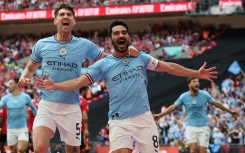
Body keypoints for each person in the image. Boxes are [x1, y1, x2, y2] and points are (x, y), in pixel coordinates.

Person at [34, 20, 218, 153]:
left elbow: (169, 67)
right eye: (116, 33)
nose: (120, 35)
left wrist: (195, 73)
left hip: (144, 119)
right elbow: (77, 82)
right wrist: (55, 85)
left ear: (128, 36)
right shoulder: (103, 65)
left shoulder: (141, 57)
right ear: (110, 39)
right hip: (119, 122)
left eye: (123, 32)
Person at [17, 3, 139, 153]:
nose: (65, 17)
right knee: (39, 147)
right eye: (61, 15)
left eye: (69, 15)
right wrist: (24, 77)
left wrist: (125, 54)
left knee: (73, 150)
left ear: (74, 21)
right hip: (47, 105)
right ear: (55, 20)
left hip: (71, 107)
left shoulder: (84, 45)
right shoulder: (42, 45)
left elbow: (107, 60)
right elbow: (30, 67)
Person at [154, 77, 239, 153]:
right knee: (193, 150)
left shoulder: (205, 95)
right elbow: (173, 107)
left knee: (203, 151)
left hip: (204, 127)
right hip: (191, 127)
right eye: (194, 81)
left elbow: (216, 104)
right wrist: (160, 115)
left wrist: (230, 111)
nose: (197, 83)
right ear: (189, 84)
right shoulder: (184, 97)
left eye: (198, 82)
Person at [0, 77, 37, 153]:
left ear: (17, 85)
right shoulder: (5, 98)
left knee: (21, 148)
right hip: (10, 129)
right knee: (13, 151)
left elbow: (33, 108)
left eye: (10, 84)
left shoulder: (25, 97)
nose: (8, 86)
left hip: (22, 129)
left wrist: (39, 120)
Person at [79, 86, 90, 153]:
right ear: (83, 91)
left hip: (71, 127)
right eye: (87, 91)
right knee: (81, 148)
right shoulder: (83, 101)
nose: (87, 92)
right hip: (80, 128)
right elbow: (84, 117)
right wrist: (86, 129)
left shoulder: (73, 100)